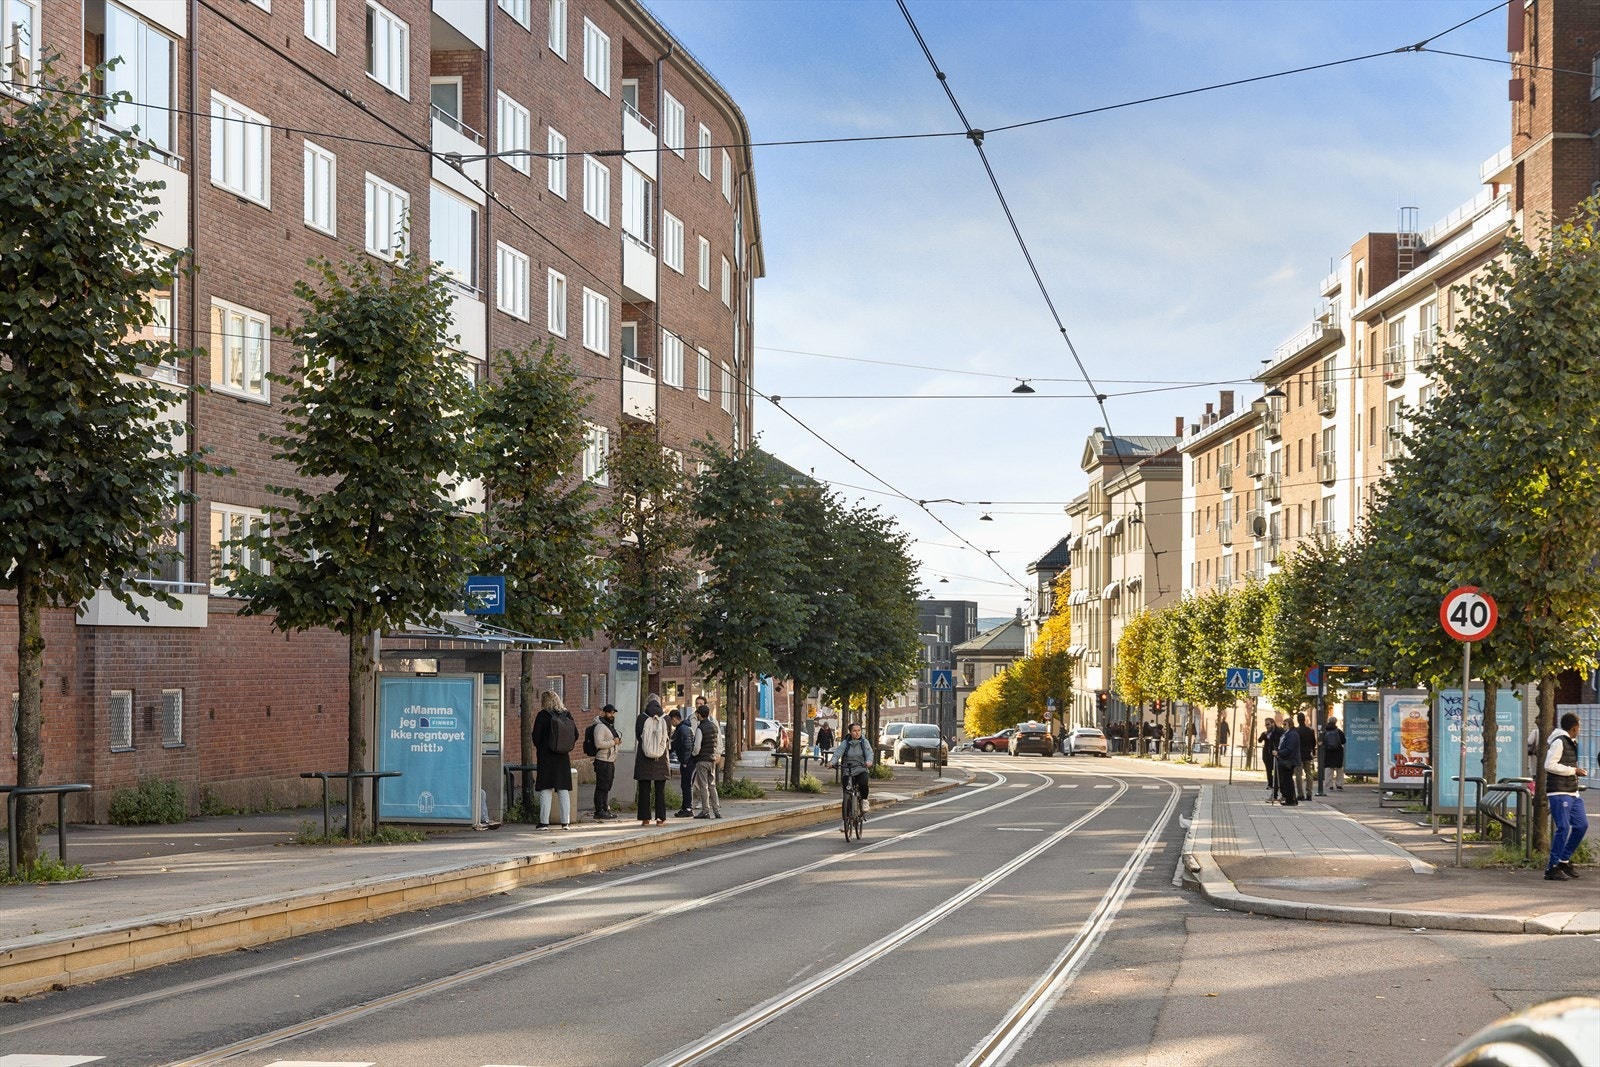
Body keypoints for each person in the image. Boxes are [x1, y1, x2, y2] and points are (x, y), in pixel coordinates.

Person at [1544, 711, 1589, 881]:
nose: (1580, 729)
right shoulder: (1559, 742)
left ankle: (1564, 860)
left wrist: (1576, 772)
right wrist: (1573, 770)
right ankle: (1551, 867)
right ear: (1574, 727)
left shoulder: (1571, 742)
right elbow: (1549, 765)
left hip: (1572, 791)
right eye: (1579, 726)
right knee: (1563, 827)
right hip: (1559, 791)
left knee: (1581, 825)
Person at [532, 690, 577, 829]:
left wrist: (544, 745)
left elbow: (536, 738)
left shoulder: (542, 715)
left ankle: (544, 822)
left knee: (546, 790)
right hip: (563, 757)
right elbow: (576, 734)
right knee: (563, 790)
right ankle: (566, 822)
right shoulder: (566, 715)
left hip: (546, 757)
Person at [634, 694, 670, 826]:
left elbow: (638, 736)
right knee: (660, 790)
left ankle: (645, 818)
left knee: (644, 789)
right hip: (660, 759)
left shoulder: (641, 718)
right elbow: (667, 738)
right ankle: (661, 818)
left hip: (644, 758)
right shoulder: (666, 718)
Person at [831, 721, 874, 814]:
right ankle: (845, 820)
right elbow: (837, 753)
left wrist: (869, 761)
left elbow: (869, 753)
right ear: (850, 732)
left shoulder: (864, 742)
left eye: (859, 730)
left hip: (861, 768)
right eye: (854, 731)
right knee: (846, 794)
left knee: (863, 783)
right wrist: (832, 762)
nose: (857, 732)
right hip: (848, 770)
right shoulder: (845, 743)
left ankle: (864, 801)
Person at [587, 704, 621, 820]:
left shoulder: (609, 726)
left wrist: (616, 742)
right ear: (604, 713)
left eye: (613, 713)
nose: (612, 715)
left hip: (610, 760)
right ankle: (599, 810)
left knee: (607, 786)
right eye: (610, 713)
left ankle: (605, 808)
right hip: (602, 760)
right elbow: (598, 743)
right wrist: (613, 742)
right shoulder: (600, 727)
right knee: (601, 786)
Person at [691, 704, 722, 819]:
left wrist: (694, 754)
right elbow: (717, 742)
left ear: (699, 714)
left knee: (703, 786)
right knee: (712, 785)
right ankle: (717, 810)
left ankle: (705, 811)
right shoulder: (714, 726)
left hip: (702, 760)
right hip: (712, 759)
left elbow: (697, 746)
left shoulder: (700, 728)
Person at [669, 710, 696, 817]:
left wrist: (684, 761)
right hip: (687, 761)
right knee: (685, 784)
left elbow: (687, 745)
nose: (671, 724)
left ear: (674, 719)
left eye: (671, 721)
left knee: (686, 784)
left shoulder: (682, 729)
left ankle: (688, 808)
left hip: (688, 762)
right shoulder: (683, 728)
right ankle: (685, 807)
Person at [1275, 721, 1301, 807]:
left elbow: (1290, 748)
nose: (1284, 726)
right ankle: (1291, 799)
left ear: (1290, 724)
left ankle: (1290, 799)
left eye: (1285, 724)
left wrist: (1279, 753)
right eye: (1283, 724)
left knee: (1287, 780)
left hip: (1289, 760)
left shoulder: (1292, 734)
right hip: (1286, 759)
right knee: (1287, 779)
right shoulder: (1287, 733)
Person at [1294, 713, 1317, 801]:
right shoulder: (1310, 730)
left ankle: (1300, 794)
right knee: (1309, 774)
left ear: (1298, 720)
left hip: (1298, 755)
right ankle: (1309, 793)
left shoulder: (1296, 731)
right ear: (1304, 719)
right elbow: (1313, 743)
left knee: (1298, 775)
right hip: (1307, 754)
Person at [1319, 717, 1345, 794]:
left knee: (1328, 769)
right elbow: (1343, 741)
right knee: (1339, 769)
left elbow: (1322, 742)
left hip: (1328, 752)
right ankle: (1339, 784)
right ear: (1335, 722)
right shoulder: (1339, 732)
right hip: (1338, 752)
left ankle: (1329, 785)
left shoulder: (1324, 731)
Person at [1259, 717, 1282, 801]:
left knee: (1277, 774)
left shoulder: (1278, 731)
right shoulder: (1266, 733)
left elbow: (1279, 741)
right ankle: (1271, 786)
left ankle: (1277, 793)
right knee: (1269, 771)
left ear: (1273, 723)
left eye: (1268, 724)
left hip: (1276, 755)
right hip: (1267, 755)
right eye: (1266, 725)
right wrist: (1264, 734)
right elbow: (1259, 740)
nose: (1267, 726)